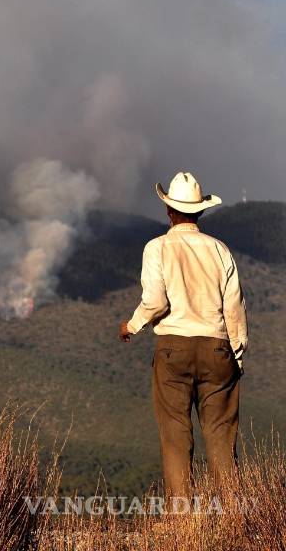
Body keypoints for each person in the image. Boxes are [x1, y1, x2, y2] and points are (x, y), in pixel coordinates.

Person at [119, 171, 246, 502]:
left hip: (173, 349)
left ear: (168, 211)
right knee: (221, 437)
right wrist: (237, 355)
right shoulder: (220, 251)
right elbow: (234, 308)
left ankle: (181, 523)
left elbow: (156, 302)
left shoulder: (157, 248)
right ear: (200, 211)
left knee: (175, 435)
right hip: (218, 349)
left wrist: (132, 326)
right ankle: (234, 517)